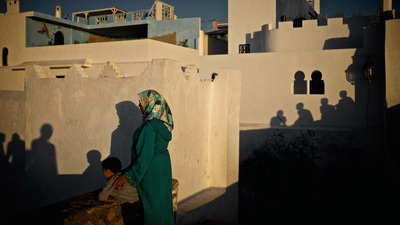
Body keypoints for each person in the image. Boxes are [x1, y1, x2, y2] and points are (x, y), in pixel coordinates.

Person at [113, 90, 174, 225]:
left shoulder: (149, 128)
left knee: (151, 208)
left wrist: (128, 176)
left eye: (141, 103)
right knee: (163, 206)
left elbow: (144, 157)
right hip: (162, 170)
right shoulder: (163, 125)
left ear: (150, 104)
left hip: (151, 172)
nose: (140, 106)